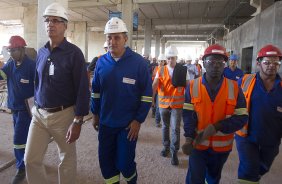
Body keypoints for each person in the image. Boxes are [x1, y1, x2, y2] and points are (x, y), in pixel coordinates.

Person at [24, 3, 90, 184]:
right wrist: (35, 105)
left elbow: (83, 89)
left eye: (55, 21)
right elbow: (37, 82)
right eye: (47, 20)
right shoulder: (42, 52)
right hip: (39, 115)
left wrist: (77, 121)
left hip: (63, 116)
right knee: (30, 159)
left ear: (65, 25)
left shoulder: (74, 54)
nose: (50, 24)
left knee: (66, 160)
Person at [90, 17, 152, 184]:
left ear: (125, 38)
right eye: (109, 37)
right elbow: (95, 92)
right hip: (105, 123)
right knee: (106, 163)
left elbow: (147, 95)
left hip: (127, 126)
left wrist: (138, 120)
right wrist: (95, 114)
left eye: (117, 37)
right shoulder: (101, 62)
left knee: (125, 163)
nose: (112, 41)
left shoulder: (139, 63)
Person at [182, 44, 248, 184]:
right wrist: (188, 137)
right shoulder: (193, 86)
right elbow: (188, 115)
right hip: (198, 144)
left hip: (221, 148)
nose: (216, 65)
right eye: (211, 61)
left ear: (225, 64)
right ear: (204, 63)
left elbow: (242, 117)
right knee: (195, 179)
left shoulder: (234, 87)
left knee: (213, 178)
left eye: (220, 62)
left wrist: (219, 126)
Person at [235, 44, 282, 184]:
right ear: (258, 63)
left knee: (263, 167)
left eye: (276, 62)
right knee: (249, 168)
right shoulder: (244, 81)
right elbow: (230, 100)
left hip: (272, 138)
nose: (271, 66)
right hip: (246, 135)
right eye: (267, 62)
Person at [0, 35, 35, 184]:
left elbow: (40, 86)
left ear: (22, 49)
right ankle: (27, 160)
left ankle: (21, 168)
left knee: (18, 139)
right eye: (10, 50)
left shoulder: (31, 65)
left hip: (26, 110)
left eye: (14, 50)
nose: (11, 53)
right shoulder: (10, 64)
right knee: (24, 137)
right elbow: (2, 75)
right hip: (14, 108)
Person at [152, 45, 190, 166]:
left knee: (175, 128)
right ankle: (166, 147)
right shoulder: (161, 69)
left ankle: (174, 152)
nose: (170, 60)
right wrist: (151, 98)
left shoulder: (183, 70)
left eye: (172, 58)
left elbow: (188, 87)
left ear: (176, 58)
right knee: (165, 127)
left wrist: (190, 102)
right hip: (163, 104)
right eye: (168, 58)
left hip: (177, 105)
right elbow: (155, 84)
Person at [152, 54, 166, 127]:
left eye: (162, 61)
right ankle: (157, 121)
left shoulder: (166, 69)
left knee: (165, 107)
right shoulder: (156, 68)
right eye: (159, 61)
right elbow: (154, 79)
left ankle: (164, 121)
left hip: (164, 90)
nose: (160, 62)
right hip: (157, 90)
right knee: (158, 106)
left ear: (164, 62)